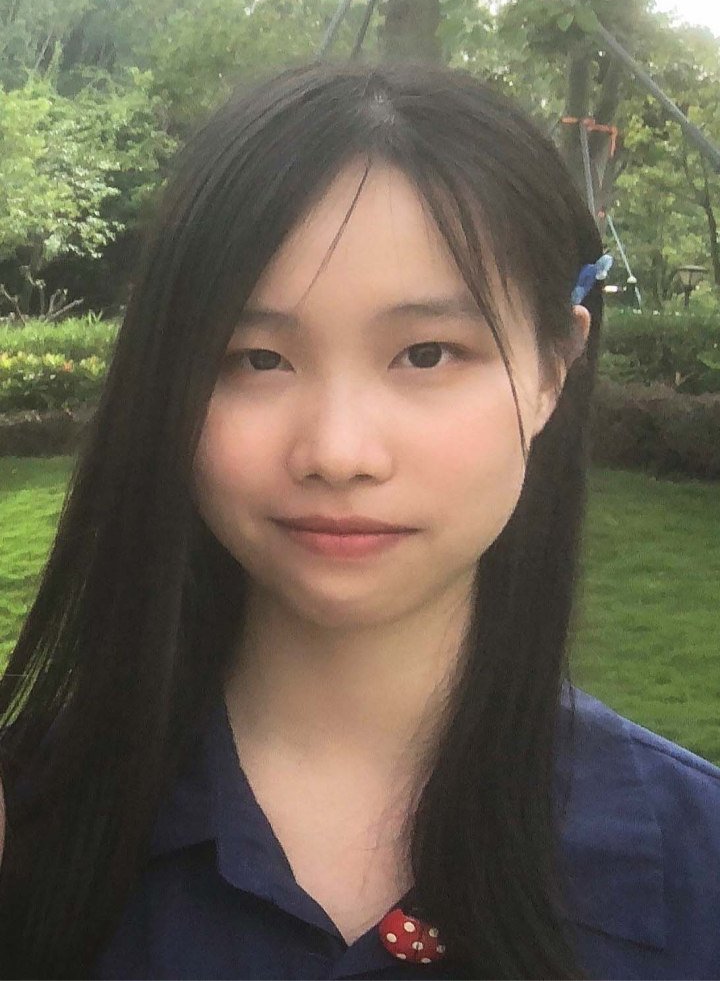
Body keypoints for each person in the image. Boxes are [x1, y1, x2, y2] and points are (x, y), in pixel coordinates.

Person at [0, 60, 718, 981]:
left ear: (555, 367)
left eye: (426, 353)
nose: (338, 452)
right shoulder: (33, 835)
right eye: (256, 358)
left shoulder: (694, 873)